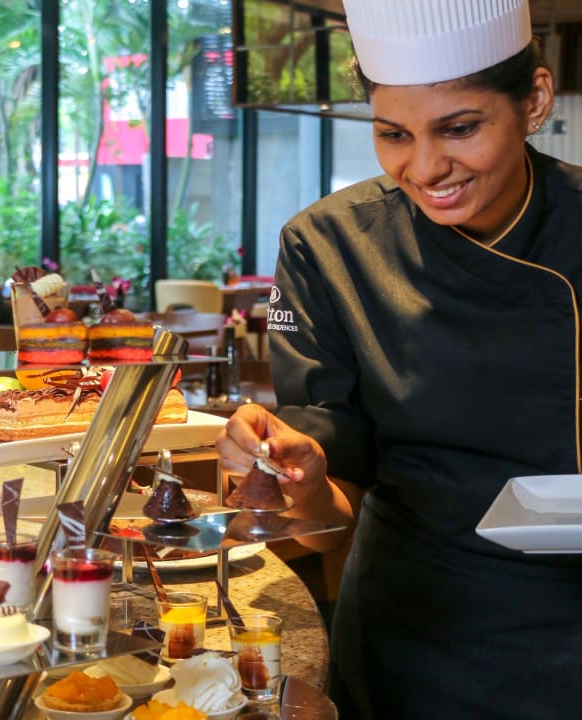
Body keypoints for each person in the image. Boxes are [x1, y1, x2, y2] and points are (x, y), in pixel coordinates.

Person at [215, 1, 581, 718]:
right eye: (393, 135)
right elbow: (331, 492)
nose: (426, 167)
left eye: (460, 128)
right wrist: (293, 477)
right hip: (417, 630)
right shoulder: (330, 246)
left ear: (535, 100)